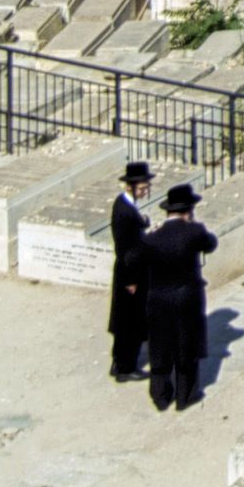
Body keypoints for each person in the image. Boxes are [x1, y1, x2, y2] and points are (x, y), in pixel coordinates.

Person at [137, 182, 220, 411]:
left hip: (159, 300)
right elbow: (211, 244)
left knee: (160, 348)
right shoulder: (194, 231)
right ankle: (186, 396)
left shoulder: (152, 238)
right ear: (189, 210)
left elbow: (139, 261)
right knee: (187, 347)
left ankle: (160, 396)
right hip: (187, 299)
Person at [105, 162, 153, 382]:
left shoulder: (125, 205)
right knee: (131, 323)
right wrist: (131, 280)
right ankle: (126, 367)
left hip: (129, 271)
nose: (145, 191)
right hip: (130, 274)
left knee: (125, 321)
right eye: (142, 188)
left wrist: (143, 223)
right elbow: (125, 248)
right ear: (130, 187)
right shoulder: (124, 211)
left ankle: (119, 362)